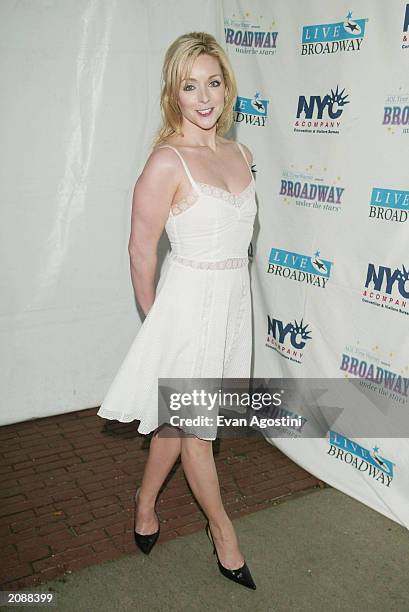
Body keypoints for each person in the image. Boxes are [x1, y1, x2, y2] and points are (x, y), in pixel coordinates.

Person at [97, 31, 257, 590]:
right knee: (197, 432)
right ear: (174, 93)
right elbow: (141, 249)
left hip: (233, 302)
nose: (205, 96)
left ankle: (144, 501)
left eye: (213, 82)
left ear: (226, 86)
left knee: (179, 416)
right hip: (186, 308)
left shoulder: (242, 153)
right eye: (191, 86)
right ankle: (224, 535)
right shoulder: (166, 162)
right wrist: (155, 320)